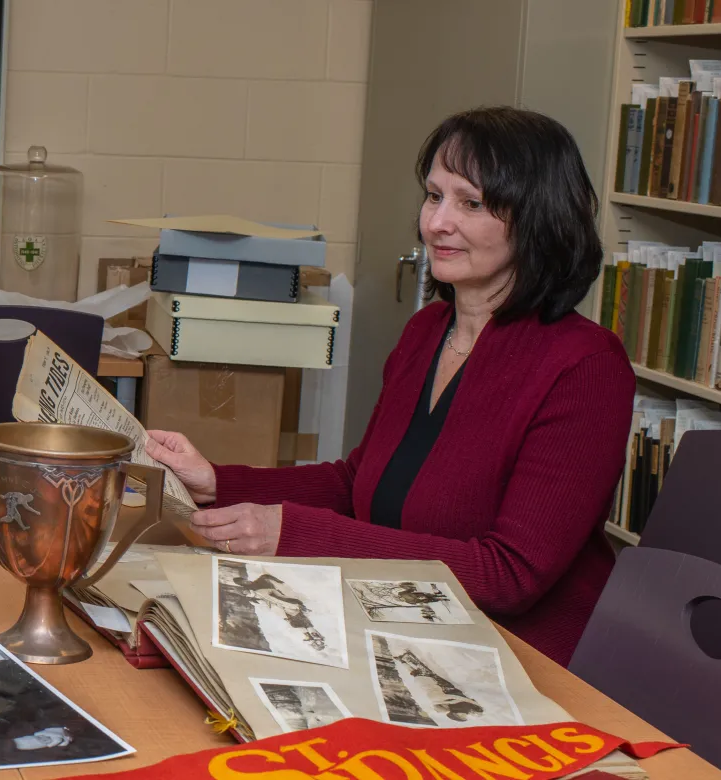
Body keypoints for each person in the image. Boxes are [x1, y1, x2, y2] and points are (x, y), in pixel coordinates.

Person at [144, 106, 634, 665]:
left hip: (523, 659)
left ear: (538, 218)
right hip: (404, 624)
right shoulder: (429, 330)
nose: (436, 224)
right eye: (433, 196)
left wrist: (296, 534)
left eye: (470, 203)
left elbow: (510, 575)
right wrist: (215, 483)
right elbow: (361, 485)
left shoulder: (586, 365)